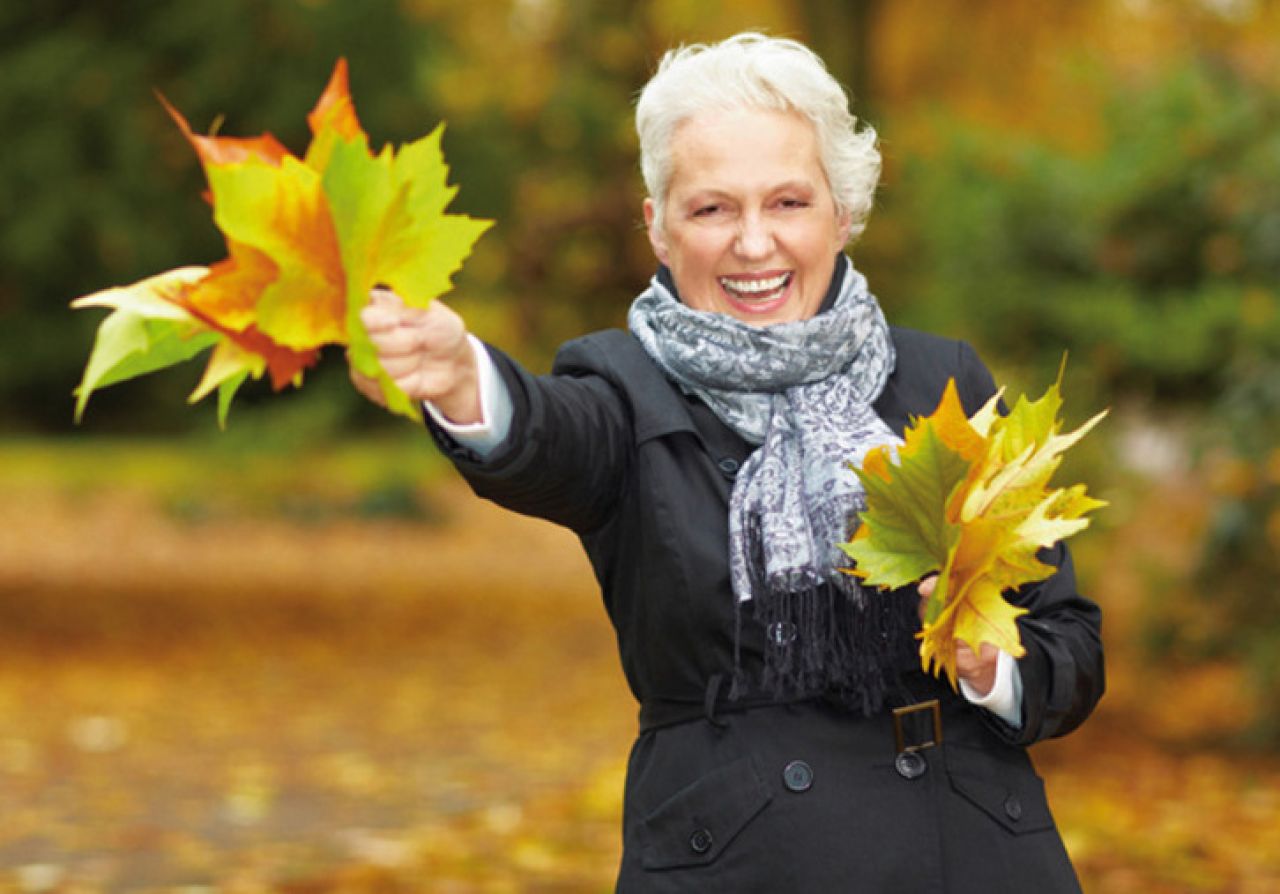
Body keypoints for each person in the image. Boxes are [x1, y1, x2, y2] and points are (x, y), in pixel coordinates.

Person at [350, 32, 1103, 893]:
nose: (754, 244)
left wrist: (992, 671)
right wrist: (461, 380)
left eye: (788, 202)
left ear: (843, 211)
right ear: (659, 229)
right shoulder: (622, 387)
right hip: (743, 860)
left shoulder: (943, 382)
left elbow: (1069, 642)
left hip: (968, 852)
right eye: (712, 209)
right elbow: (548, 439)